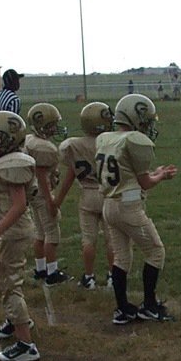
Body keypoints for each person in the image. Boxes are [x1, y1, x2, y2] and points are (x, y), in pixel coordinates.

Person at [95, 93, 178, 324]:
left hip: (109, 205)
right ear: (136, 117)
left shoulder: (105, 138)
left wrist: (154, 173)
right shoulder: (133, 140)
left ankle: (122, 309)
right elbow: (144, 183)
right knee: (155, 251)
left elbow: (128, 175)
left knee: (122, 257)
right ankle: (149, 306)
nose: (148, 126)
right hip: (128, 207)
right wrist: (160, 176)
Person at [0, 111, 40, 361]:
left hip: (12, 231)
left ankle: (26, 345)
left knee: (10, 285)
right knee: (1, 281)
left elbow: (19, 205)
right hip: (8, 229)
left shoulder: (15, 163)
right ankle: (16, 322)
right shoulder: (2, 161)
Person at [53, 102, 115, 290]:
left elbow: (70, 175)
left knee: (88, 240)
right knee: (112, 239)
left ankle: (89, 277)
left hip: (88, 194)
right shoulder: (112, 142)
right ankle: (114, 277)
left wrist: (57, 201)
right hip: (108, 194)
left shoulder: (74, 145)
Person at [24, 102, 71, 285]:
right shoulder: (43, 147)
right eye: (52, 125)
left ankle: (41, 268)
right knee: (51, 233)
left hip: (32, 192)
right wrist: (51, 201)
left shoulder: (30, 140)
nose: (55, 128)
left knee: (40, 232)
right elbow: (42, 176)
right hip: (42, 192)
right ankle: (52, 273)